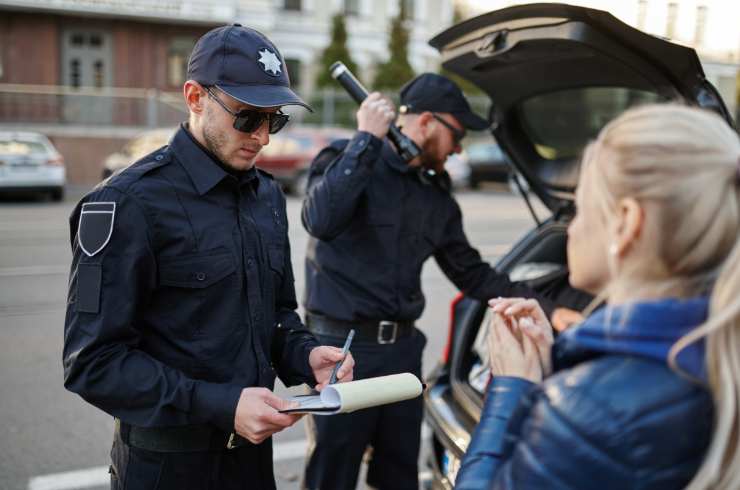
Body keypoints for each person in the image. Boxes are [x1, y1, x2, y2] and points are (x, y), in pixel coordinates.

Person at [62, 24, 354, 490]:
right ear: (195, 96)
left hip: (252, 463)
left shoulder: (266, 196)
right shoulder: (126, 202)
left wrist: (306, 355)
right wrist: (221, 405)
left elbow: (276, 315)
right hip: (167, 470)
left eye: (274, 120)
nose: (262, 137)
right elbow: (93, 363)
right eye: (246, 117)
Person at [300, 73, 583, 490]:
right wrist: (366, 139)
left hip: (402, 353)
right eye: (458, 132)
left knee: (398, 474)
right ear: (427, 121)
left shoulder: (434, 195)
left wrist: (550, 309)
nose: (460, 147)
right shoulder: (349, 157)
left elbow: (472, 273)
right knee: (331, 475)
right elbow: (320, 220)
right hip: (342, 353)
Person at [454, 104, 740, 489]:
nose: (570, 226)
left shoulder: (591, 411)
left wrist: (511, 388)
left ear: (625, 223)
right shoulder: (717, 353)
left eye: (580, 206)